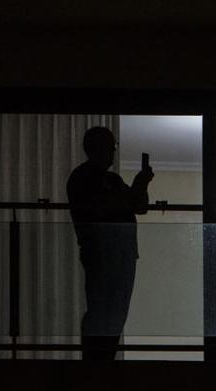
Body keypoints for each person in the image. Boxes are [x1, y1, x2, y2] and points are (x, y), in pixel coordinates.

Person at [67, 127, 154, 360]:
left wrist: (140, 183)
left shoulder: (112, 180)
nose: (112, 153)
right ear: (96, 148)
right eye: (110, 147)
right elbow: (102, 208)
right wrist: (134, 191)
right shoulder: (82, 177)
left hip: (122, 251)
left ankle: (104, 356)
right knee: (102, 309)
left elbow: (139, 206)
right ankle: (96, 359)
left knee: (116, 311)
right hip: (102, 251)